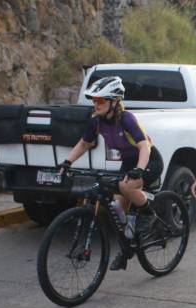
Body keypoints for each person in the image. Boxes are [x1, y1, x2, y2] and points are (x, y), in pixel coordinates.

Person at [60, 76, 164, 271]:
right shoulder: (97, 121)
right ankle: (128, 244)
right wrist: (67, 162)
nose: (96, 104)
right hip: (128, 162)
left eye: (100, 100)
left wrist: (139, 170)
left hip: (148, 160)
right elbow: (84, 143)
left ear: (114, 101)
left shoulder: (127, 119)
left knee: (126, 186)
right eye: (94, 100)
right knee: (118, 204)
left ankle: (148, 214)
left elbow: (144, 146)